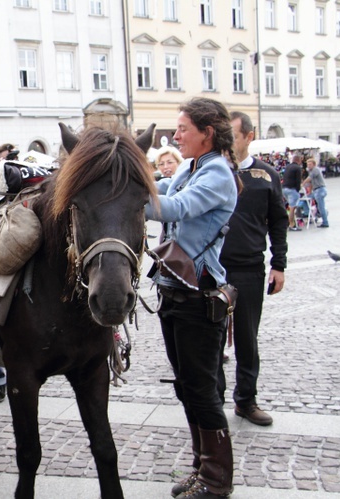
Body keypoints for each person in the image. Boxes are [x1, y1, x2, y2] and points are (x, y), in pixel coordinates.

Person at [145, 98, 239, 499]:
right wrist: (127, 176)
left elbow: (173, 206)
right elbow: (158, 186)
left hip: (198, 296)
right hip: (173, 292)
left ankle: (217, 481)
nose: (176, 135)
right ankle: (203, 467)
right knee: (187, 385)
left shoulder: (218, 173)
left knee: (202, 388)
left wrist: (128, 196)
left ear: (207, 134)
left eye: (183, 128)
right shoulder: (189, 165)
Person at [219, 111, 288, 427]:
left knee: (247, 338)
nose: (228, 143)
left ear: (249, 135)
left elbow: (278, 222)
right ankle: (212, 400)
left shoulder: (267, 175)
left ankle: (246, 400)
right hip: (213, 268)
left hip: (249, 267)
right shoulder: (214, 172)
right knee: (211, 337)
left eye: (232, 135)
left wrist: (279, 265)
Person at [302, 158, 329, 228]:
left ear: (314, 164)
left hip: (320, 189)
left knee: (321, 207)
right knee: (305, 199)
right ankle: (308, 214)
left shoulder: (315, 170)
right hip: (315, 190)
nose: (308, 166)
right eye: (307, 164)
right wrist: (310, 192)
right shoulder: (311, 171)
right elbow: (311, 183)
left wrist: (302, 183)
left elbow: (310, 178)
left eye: (310, 164)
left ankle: (325, 222)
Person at [281, 154, 303, 231]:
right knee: (292, 208)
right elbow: (298, 180)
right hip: (292, 189)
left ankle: (288, 223)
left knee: (289, 207)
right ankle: (292, 225)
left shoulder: (288, 166)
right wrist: (298, 189)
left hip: (284, 188)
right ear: (299, 160)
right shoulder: (298, 168)